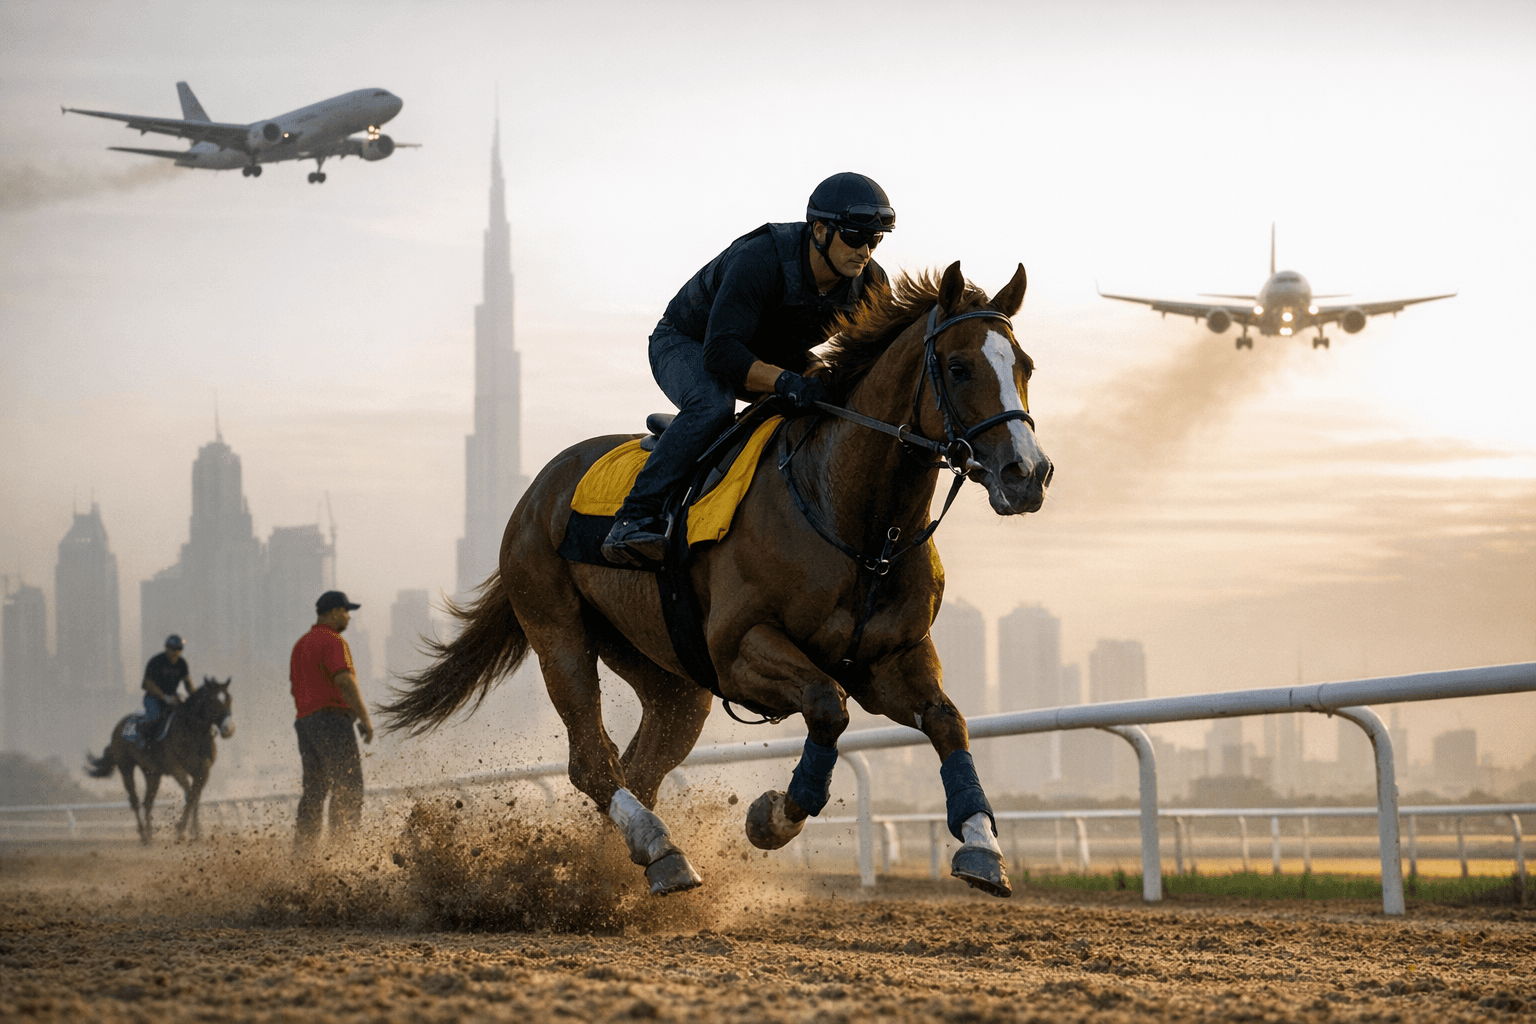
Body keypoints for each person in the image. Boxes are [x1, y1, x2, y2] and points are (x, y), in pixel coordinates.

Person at [601, 171, 895, 565]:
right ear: (821, 230)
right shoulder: (760, 258)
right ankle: (634, 517)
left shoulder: (872, 284)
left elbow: (877, 372)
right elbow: (721, 354)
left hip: (772, 352)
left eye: (874, 240)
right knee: (713, 405)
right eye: (855, 237)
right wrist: (785, 381)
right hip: (690, 342)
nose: (866, 251)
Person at [289, 589, 374, 849]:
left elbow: (295, 688)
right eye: (346, 611)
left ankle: (304, 854)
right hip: (332, 720)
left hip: (305, 723)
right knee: (348, 784)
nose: (348, 617)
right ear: (334, 612)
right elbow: (345, 680)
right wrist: (365, 719)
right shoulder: (333, 641)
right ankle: (342, 851)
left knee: (315, 790)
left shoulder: (301, 645)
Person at [141, 634, 193, 738]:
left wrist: (196, 697)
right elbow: (148, 684)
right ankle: (148, 746)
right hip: (153, 699)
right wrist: (165, 697)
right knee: (155, 719)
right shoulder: (156, 662)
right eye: (173, 649)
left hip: (173, 699)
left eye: (179, 649)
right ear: (166, 648)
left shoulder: (182, 663)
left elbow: (188, 683)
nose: (176, 652)